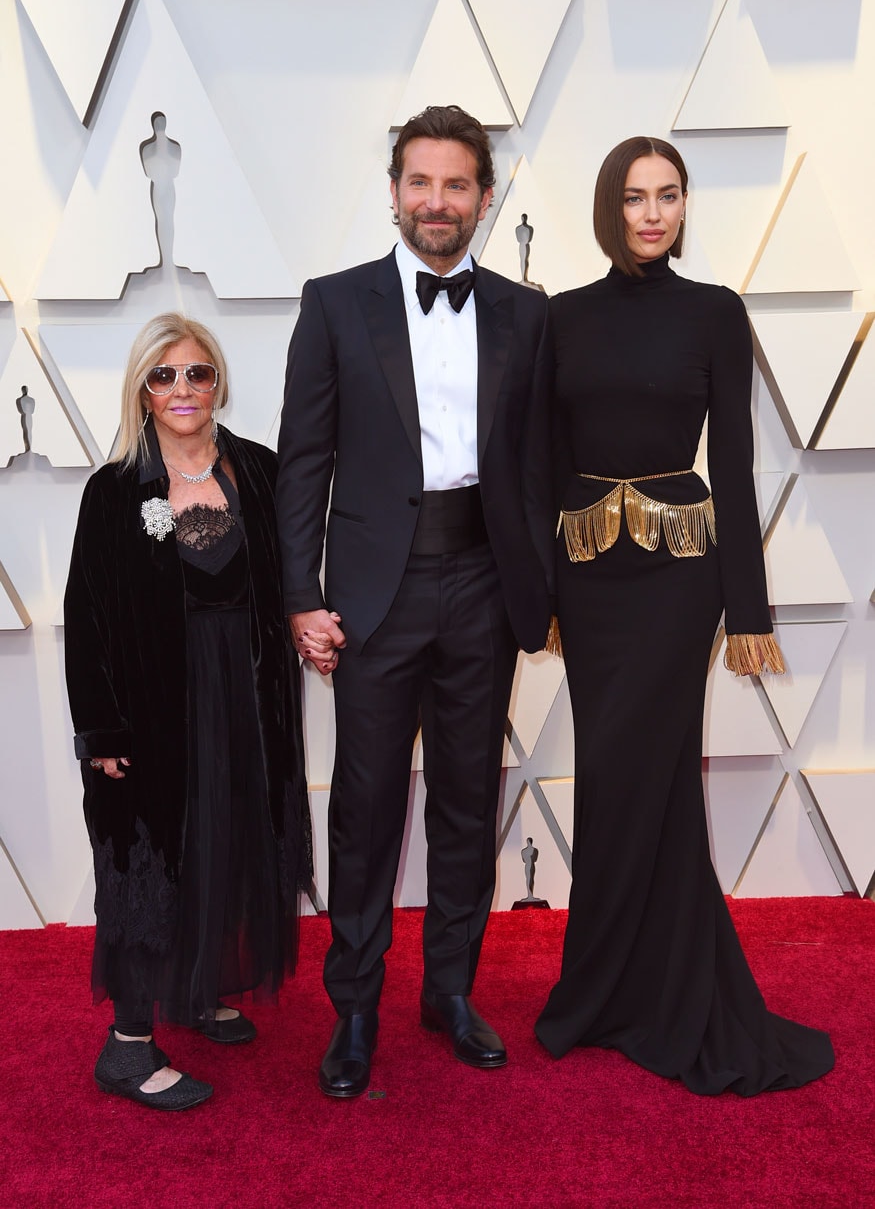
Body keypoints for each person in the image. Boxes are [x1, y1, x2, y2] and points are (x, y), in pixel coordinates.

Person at [534, 137, 834, 1095]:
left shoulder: (714, 313)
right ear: (606, 207)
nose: (653, 214)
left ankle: (636, 991)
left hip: (675, 584)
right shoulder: (561, 319)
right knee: (623, 780)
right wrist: (536, 593)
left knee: (647, 774)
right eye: (634, 197)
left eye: (668, 196)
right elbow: (542, 463)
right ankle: (610, 989)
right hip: (588, 583)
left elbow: (736, 466)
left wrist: (745, 607)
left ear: (684, 207)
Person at [276, 105, 554, 1098]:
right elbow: (303, 461)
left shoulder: (528, 313)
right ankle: (353, 1006)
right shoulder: (335, 304)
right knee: (363, 807)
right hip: (371, 596)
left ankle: (449, 990)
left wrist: (548, 581)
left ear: (484, 196)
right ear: (394, 191)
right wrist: (298, 596)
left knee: (468, 804)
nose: (437, 202)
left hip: (483, 583)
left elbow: (538, 462)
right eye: (419, 182)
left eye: (456, 184)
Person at [64, 313, 311, 1111]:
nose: (182, 390)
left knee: (228, 844)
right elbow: (86, 615)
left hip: (244, 704)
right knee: (149, 863)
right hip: (154, 718)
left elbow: (292, 582)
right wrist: (102, 731)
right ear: (142, 387)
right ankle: (127, 1048)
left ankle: (198, 989)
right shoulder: (113, 491)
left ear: (218, 384)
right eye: (164, 375)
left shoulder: (262, 474)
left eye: (197, 373)